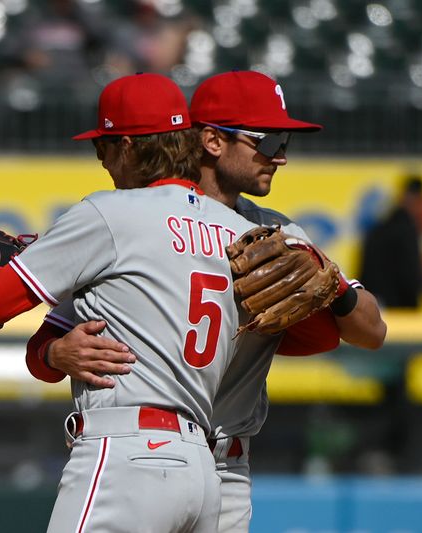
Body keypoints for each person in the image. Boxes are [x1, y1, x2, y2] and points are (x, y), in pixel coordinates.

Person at [25, 70, 388, 532]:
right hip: (149, 449)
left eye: (285, 144)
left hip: (226, 465)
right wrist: (56, 352)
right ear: (213, 141)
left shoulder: (278, 235)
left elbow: (372, 331)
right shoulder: (142, 217)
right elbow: (45, 344)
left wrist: (331, 283)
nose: (280, 157)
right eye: (270, 140)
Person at [0, 73, 265, 533]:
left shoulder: (111, 213)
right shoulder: (238, 233)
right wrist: (54, 351)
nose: (101, 160)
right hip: (206, 472)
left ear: (128, 147)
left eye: (104, 146)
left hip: (129, 453)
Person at [359, 173, 422, 308]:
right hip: (400, 309)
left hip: (374, 307)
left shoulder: (379, 228)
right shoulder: (406, 229)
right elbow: (410, 276)